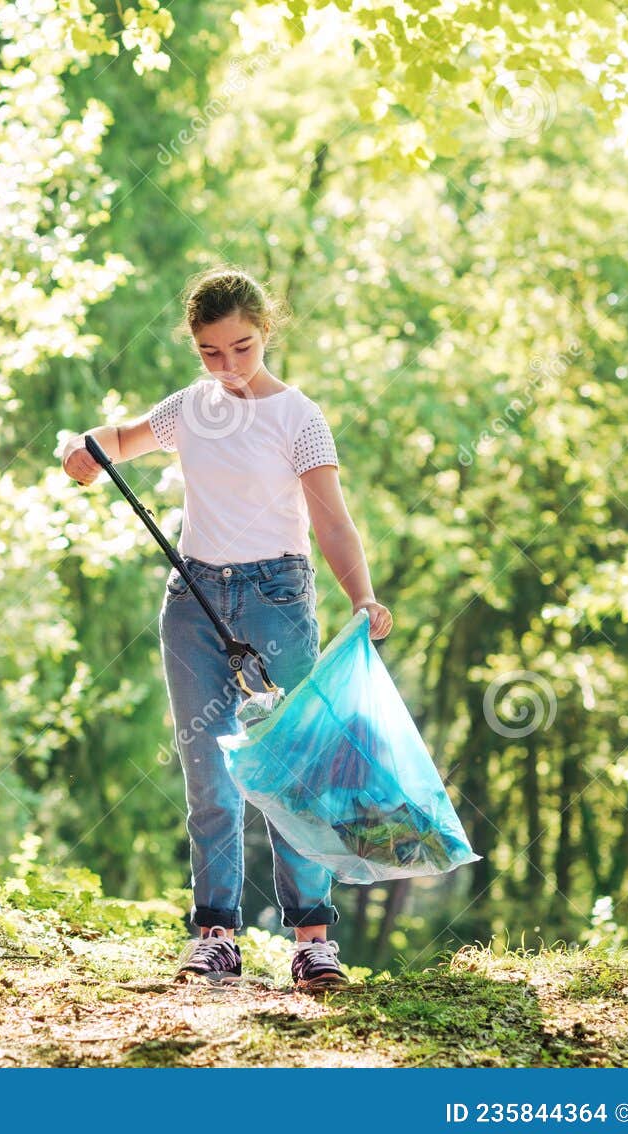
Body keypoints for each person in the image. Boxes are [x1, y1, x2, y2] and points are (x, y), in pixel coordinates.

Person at [60, 266, 393, 992]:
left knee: (290, 767)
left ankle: (312, 941)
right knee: (208, 776)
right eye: (211, 353)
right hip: (195, 600)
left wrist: (363, 596)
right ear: (195, 349)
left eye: (241, 347)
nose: (229, 366)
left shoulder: (299, 417)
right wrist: (84, 449)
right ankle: (215, 935)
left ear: (265, 332)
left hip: (277, 595)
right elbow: (119, 438)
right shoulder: (191, 409)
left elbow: (332, 521)